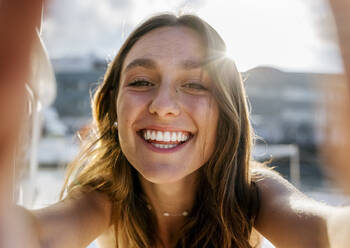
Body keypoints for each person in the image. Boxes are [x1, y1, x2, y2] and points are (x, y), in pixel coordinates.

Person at [3, 12, 350, 248]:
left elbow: (325, 232)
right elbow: (35, 235)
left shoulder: (254, 195)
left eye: (196, 85)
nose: (163, 104)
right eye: (141, 81)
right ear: (112, 106)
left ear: (226, 115)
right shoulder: (103, 198)